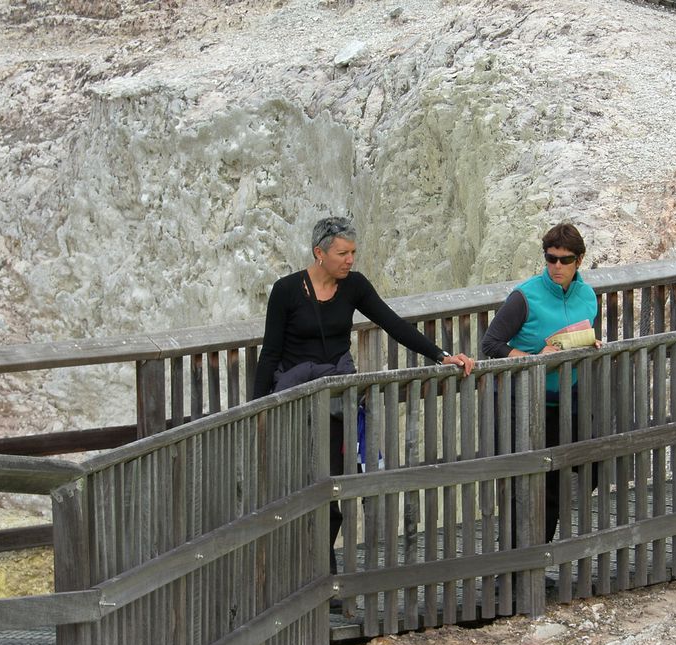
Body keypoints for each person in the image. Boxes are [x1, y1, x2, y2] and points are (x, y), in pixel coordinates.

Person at [252, 216, 474, 573]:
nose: (350, 260)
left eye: (353, 252)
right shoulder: (287, 290)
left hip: (339, 399)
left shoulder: (354, 286)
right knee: (308, 491)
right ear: (319, 253)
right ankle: (314, 574)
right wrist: (258, 409)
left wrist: (441, 355)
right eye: (342, 253)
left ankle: (334, 574)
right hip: (295, 403)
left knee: (341, 485)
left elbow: (393, 323)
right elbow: (270, 353)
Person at [481, 221, 600, 543]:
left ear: (579, 260)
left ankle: (536, 548)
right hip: (524, 401)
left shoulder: (588, 296)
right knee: (534, 486)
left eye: (565, 260)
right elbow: (490, 344)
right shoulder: (525, 296)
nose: (556, 267)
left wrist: (589, 343)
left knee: (595, 461)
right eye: (550, 259)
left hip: (568, 397)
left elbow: (580, 332)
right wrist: (532, 357)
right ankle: (522, 563)